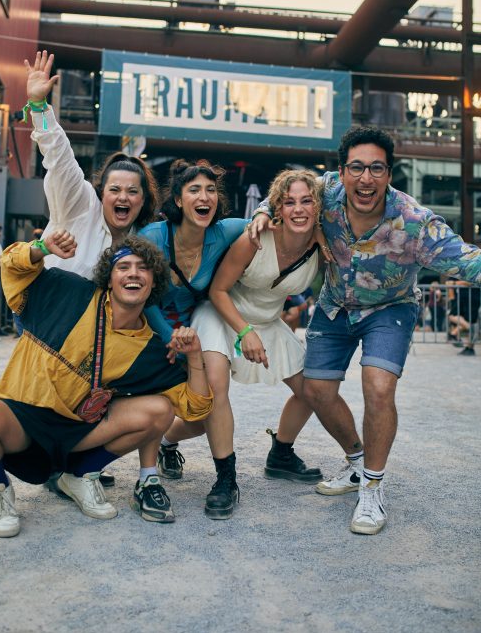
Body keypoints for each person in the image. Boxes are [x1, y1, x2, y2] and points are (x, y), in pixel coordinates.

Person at [250, 126, 481, 535]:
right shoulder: (325, 192)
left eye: (377, 168)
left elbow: (467, 261)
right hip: (335, 306)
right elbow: (281, 195)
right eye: (356, 168)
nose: (366, 178)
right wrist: (262, 213)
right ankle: (357, 462)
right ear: (341, 171)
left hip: (390, 309)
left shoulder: (414, 223)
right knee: (316, 390)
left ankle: (372, 487)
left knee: (377, 387)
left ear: (390, 174)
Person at [0, 230, 212, 538]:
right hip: (21, 418)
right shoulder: (67, 290)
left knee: (159, 410)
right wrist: (41, 247)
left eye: (143, 268)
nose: (133, 273)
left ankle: (79, 475)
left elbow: (195, 407)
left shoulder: (153, 350)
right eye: (123, 266)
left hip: (78, 434)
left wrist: (196, 356)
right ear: (109, 278)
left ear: (154, 282)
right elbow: (11, 265)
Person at [24, 49, 160, 488]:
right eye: (115, 188)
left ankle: (76, 465)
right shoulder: (79, 203)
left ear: (142, 200)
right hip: (51, 322)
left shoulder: (140, 243)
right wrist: (41, 108)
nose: (123, 197)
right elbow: (59, 157)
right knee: (48, 403)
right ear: (102, 192)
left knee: (101, 399)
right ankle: (50, 465)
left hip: (95, 337)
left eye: (133, 192)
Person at [170, 169, 325, 513]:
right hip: (225, 313)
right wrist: (244, 331)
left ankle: (281, 453)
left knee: (314, 391)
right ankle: (225, 478)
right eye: (288, 202)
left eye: (306, 201)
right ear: (277, 209)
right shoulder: (255, 237)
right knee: (213, 394)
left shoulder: (322, 243)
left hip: (268, 321)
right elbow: (218, 290)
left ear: (317, 207)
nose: (298, 209)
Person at [139, 159, 250, 519]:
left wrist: (263, 216)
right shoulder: (154, 237)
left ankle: (226, 479)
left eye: (211, 190)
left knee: (211, 400)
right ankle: (137, 467)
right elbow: (143, 297)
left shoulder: (224, 231)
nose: (205, 197)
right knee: (155, 404)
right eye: (195, 190)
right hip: (153, 328)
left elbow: (269, 221)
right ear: (178, 198)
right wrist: (170, 337)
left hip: (195, 325)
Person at [447, 280, 480, 356]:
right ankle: (469, 330)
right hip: (463, 297)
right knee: (453, 316)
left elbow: (475, 280)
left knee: (471, 320)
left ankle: (470, 348)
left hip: (473, 296)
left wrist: (455, 283)